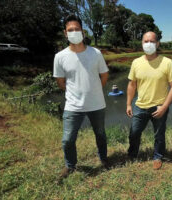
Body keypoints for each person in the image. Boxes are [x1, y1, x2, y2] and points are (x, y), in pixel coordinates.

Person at [53, 14, 109, 178]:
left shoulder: (96, 53)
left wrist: (94, 89)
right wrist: (74, 93)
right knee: (68, 139)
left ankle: (104, 159)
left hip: (97, 104)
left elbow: (104, 75)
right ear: (65, 33)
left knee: (100, 134)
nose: (74, 32)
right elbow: (60, 81)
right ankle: (70, 165)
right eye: (70, 30)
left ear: (83, 32)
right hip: (73, 105)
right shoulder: (60, 57)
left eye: (77, 29)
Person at [126, 31, 172, 170]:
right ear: (142, 43)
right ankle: (132, 154)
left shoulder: (167, 62)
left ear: (157, 43)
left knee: (159, 134)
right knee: (134, 133)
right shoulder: (136, 62)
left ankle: (158, 156)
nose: (148, 44)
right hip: (140, 105)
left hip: (159, 106)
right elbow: (132, 85)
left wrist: (164, 107)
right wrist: (128, 104)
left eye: (151, 41)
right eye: (145, 41)